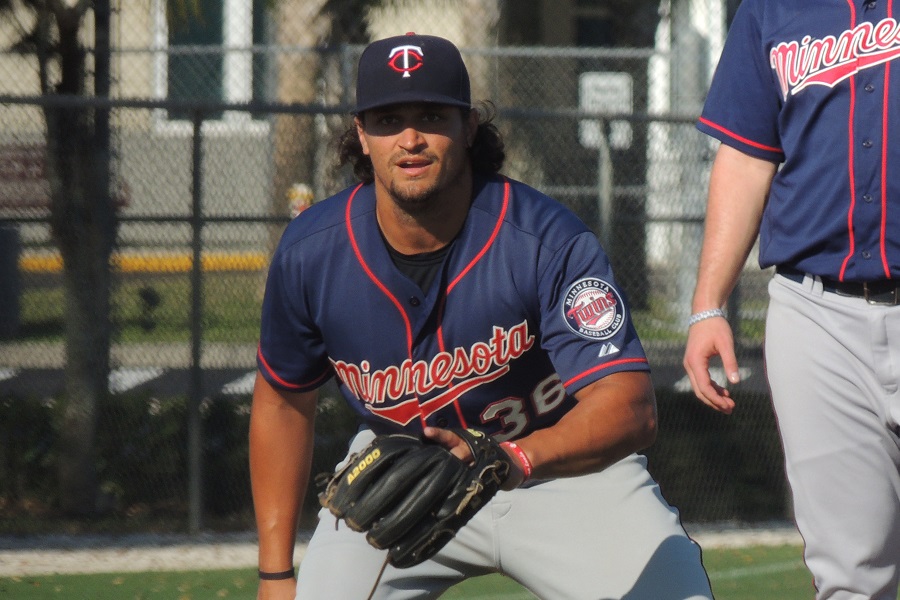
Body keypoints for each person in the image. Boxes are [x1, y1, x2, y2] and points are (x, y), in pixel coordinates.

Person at [250, 32, 712, 600]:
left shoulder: (543, 239)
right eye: (389, 119)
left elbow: (630, 405)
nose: (411, 138)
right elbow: (281, 401)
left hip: (560, 470)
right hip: (402, 481)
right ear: (361, 136)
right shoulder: (313, 251)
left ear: (468, 128)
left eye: (431, 115)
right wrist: (274, 574)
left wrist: (512, 458)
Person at [683, 2, 900, 599]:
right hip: (818, 315)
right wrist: (708, 306)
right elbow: (748, 156)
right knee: (850, 573)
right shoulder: (772, 9)